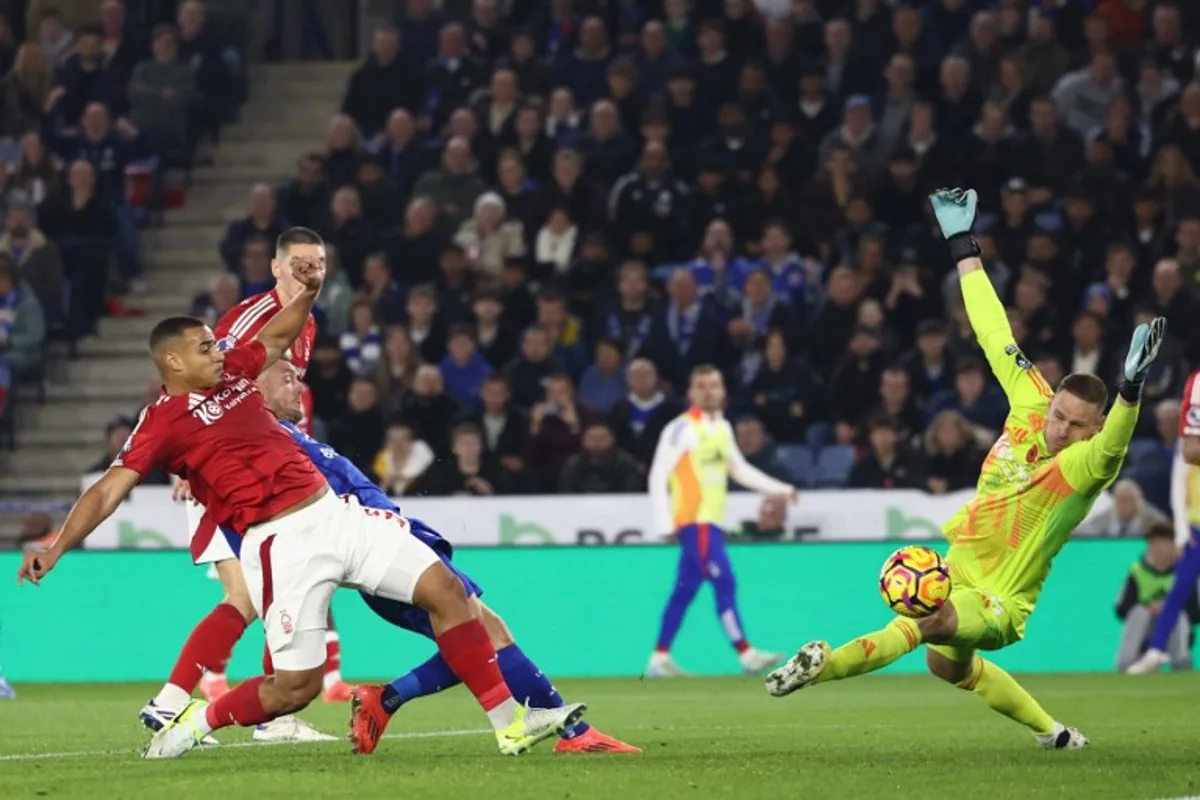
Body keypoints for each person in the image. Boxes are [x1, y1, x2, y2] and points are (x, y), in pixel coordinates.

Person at [17, 249, 583, 760]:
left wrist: (309, 293)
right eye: (203, 347)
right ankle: (195, 720)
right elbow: (109, 489)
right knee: (296, 688)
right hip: (280, 542)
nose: (218, 352)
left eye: (215, 344)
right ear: (171, 363)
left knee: (449, 591)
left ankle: (510, 725)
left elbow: (276, 338)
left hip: (336, 514)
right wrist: (57, 545)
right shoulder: (161, 423)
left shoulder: (233, 373)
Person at [766, 188, 1166, 751]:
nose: (1061, 429)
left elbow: (1115, 445)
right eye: (1059, 416)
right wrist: (963, 246)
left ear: (1092, 429)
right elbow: (993, 332)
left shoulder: (1082, 468)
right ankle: (1054, 734)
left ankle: (820, 666)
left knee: (925, 622)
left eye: (1078, 425)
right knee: (946, 668)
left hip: (1001, 602)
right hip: (955, 569)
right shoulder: (1031, 403)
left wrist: (1130, 391)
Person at [249, 358, 635, 754]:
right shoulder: (264, 438)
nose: (300, 386)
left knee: (479, 637)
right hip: (374, 548)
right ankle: (572, 734)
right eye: (287, 379)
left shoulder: (290, 433)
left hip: (395, 534)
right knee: (484, 634)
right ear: (253, 391)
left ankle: (387, 700)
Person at [646, 365, 798, 678]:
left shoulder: (723, 428)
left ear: (723, 391)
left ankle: (660, 656)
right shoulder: (681, 429)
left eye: (714, 385)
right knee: (724, 581)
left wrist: (780, 489)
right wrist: (664, 524)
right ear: (690, 393)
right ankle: (746, 653)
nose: (708, 391)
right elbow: (658, 475)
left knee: (685, 590)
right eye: (701, 386)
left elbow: (739, 470)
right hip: (695, 522)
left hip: (711, 522)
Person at [1126, 365, 1200, 674]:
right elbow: (1181, 474)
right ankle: (1156, 650)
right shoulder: (1197, 388)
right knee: (1179, 591)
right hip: (1197, 525)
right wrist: (1181, 530)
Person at [1114, 523, 1195, 672]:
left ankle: (1181, 662)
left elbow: (1196, 611)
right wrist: (1149, 608)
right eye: (1154, 544)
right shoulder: (1137, 572)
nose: (1158, 550)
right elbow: (1121, 609)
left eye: (1163, 545)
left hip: (1175, 631)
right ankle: (1126, 662)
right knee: (1139, 612)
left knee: (1177, 614)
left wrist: (1169, 607)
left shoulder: (1185, 572)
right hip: (1145, 629)